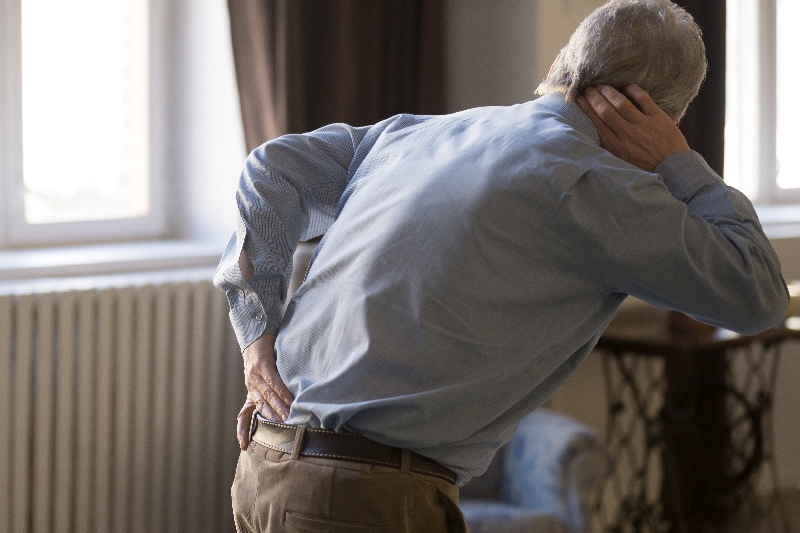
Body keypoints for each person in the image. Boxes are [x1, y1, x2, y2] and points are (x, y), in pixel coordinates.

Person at [214, 1, 789, 531]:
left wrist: (256, 334)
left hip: (264, 465)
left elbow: (272, 169)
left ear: (568, 62)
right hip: (365, 501)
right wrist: (679, 162)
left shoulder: (422, 132)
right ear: (659, 113)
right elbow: (759, 294)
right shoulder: (595, 186)